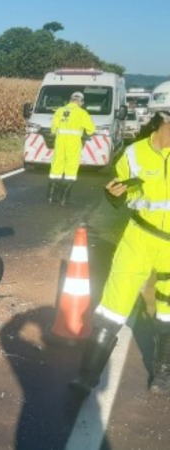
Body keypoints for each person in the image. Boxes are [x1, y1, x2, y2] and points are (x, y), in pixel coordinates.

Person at [69, 110, 170, 396]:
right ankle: (87, 376)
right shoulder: (134, 154)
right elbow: (125, 194)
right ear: (165, 120)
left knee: (168, 311)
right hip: (138, 239)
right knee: (113, 305)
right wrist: (115, 194)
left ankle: (163, 373)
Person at [48, 91, 96, 205]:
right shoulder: (82, 113)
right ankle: (64, 199)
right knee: (70, 170)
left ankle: (51, 196)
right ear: (81, 102)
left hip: (60, 143)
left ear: (70, 100)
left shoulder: (59, 111)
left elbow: (53, 129)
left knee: (56, 168)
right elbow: (91, 130)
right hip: (73, 144)